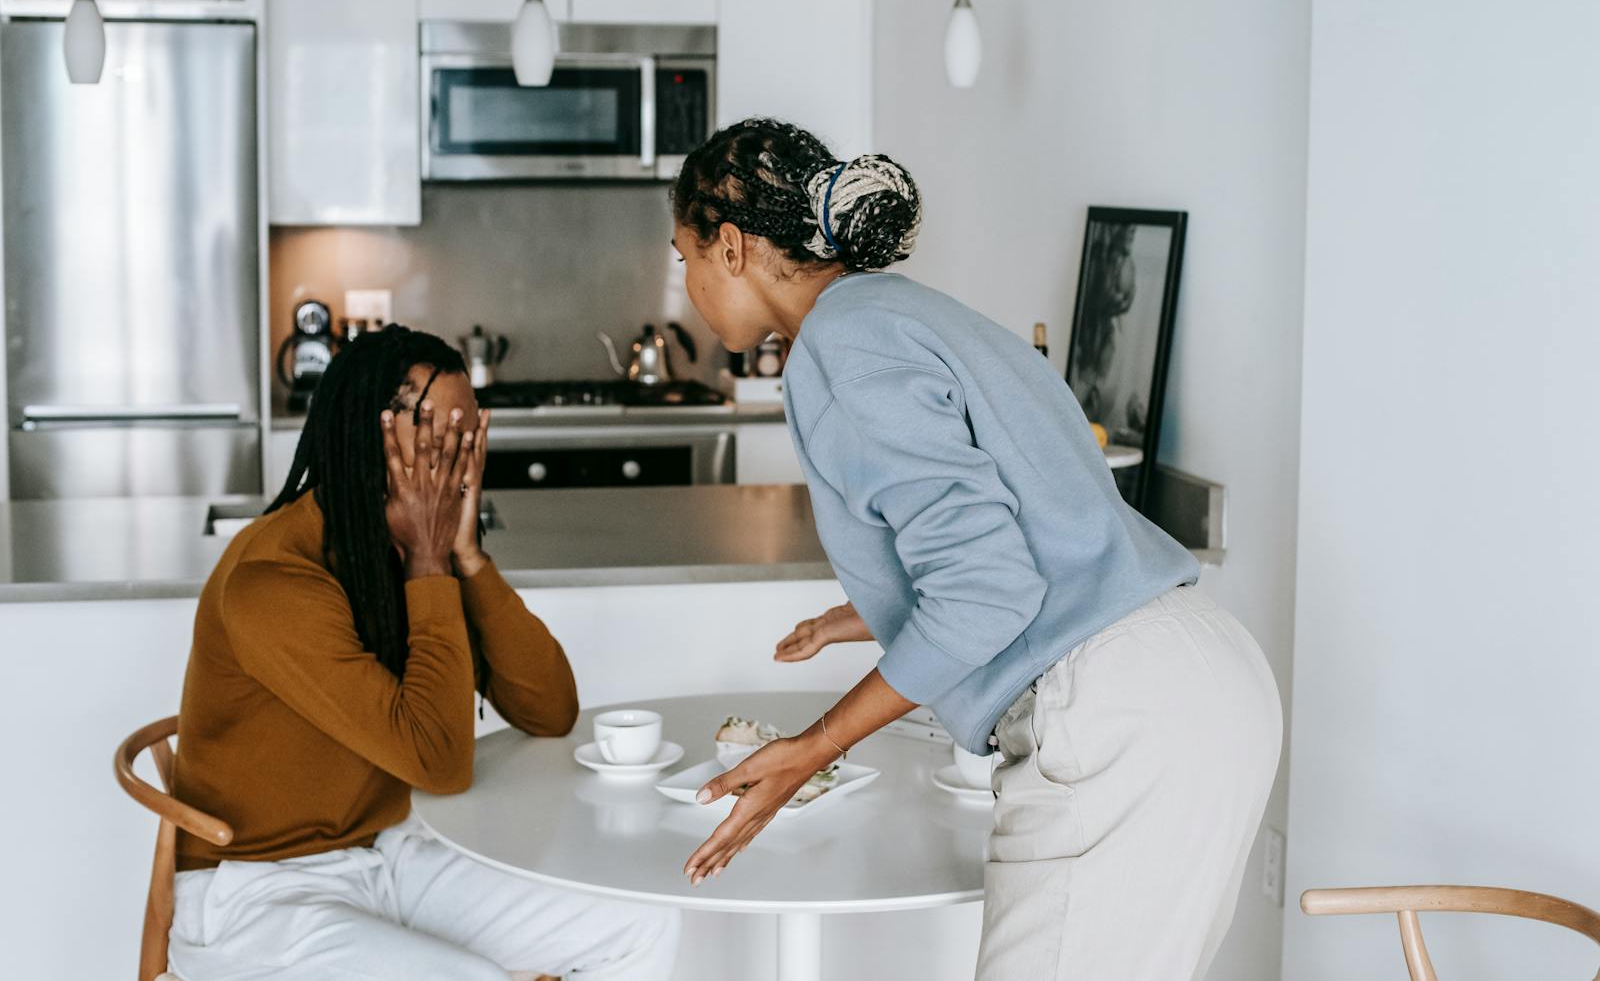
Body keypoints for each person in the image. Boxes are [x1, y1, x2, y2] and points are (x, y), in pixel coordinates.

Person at [668, 118, 1281, 980]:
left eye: (683, 255)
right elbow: (1021, 528)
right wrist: (861, 615)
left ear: (730, 246)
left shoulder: (839, 349)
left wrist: (815, 745)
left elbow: (988, 588)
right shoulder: (900, 311)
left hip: (1114, 712)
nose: (686, 283)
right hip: (1198, 676)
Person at [168, 326, 679, 981]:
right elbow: (440, 762)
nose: (460, 459)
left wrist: (466, 557)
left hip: (388, 853)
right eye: (440, 434)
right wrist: (432, 560)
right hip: (259, 892)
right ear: (366, 431)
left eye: (470, 437)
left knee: (641, 922)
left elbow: (549, 708)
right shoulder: (273, 581)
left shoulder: (402, 548)